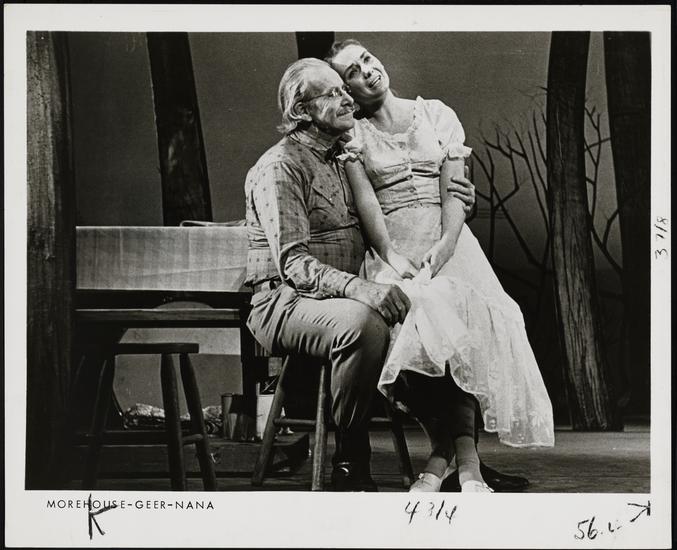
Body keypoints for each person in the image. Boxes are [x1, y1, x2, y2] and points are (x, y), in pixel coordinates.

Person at [326, 39, 555, 492]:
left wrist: (448, 243)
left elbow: (455, 189)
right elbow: (368, 204)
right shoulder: (353, 136)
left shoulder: (434, 113)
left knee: (467, 323)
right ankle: (465, 464)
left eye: (367, 59)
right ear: (346, 89)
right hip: (396, 246)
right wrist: (393, 257)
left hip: (449, 240)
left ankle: (442, 463)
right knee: (421, 325)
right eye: (353, 71)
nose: (367, 70)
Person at [244, 57, 477, 491]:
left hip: (339, 295)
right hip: (284, 301)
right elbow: (292, 264)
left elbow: (398, 206)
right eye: (332, 93)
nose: (347, 98)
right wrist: (363, 290)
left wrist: (463, 200)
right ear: (302, 110)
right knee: (365, 325)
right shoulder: (281, 166)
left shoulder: (344, 158)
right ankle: (351, 462)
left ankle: (459, 455)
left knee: (432, 308)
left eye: (343, 89)